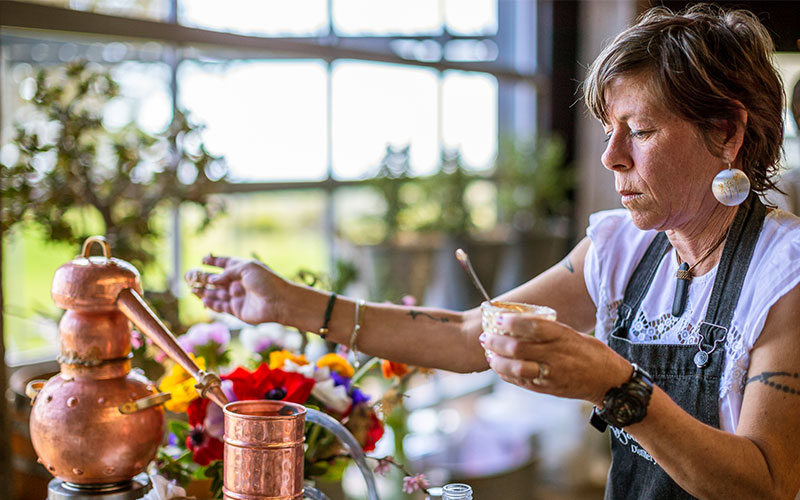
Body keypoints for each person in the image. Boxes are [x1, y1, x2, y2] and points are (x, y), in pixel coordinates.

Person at [188, 5, 800, 499]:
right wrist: (291, 303)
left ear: (726, 132)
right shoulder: (622, 249)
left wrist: (620, 387)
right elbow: (462, 335)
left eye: (639, 132)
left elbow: (768, 482)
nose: (611, 157)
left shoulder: (784, 273)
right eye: (609, 132)